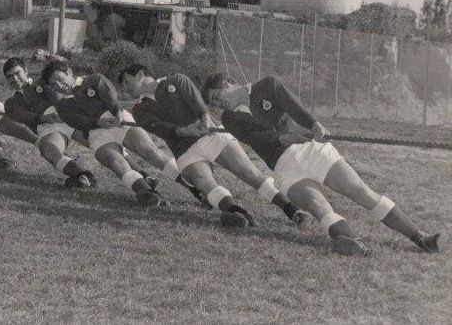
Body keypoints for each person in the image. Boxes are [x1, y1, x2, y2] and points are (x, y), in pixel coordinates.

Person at [201, 72, 441, 255]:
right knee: (318, 206)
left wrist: (315, 125)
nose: (216, 105)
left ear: (226, 84)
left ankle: (420, 237)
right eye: (212, 104)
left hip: (311, 149)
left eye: (215, 97)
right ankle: (350, 242)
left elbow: (296, 107)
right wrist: (287, 137)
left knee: (361, 192)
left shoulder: (269, 85)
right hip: (283, 164)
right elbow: (259, 139)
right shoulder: (230, 119)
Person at [119, 64, 308, 229]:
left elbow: (198, 104)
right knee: (202, 180)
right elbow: (158, 127)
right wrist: (183, 131)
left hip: (210, 136)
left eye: (127, 81)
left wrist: (205, 119)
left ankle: (291, 210)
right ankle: (235, 211)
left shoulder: (176, 80)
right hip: (184, 149)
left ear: (140, 75)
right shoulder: (138, 109)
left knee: (249, 173)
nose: (125, 88)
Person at [42, 60, 182, 207]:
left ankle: (196, 188)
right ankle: (145, 192)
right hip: (96, 133)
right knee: (115, 161)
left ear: (69, 72)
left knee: (150, 152)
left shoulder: (94, 79)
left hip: (118, 120)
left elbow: (111, 96)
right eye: (53, 85)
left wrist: (117, 112)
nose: (58, 85)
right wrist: (97, 124)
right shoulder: (62, 105)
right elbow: (77, 122)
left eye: (59, 79)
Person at [2, 57, 96, 187]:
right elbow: (23, 116)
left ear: (26, 70)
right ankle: (82, 176)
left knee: (99, 142)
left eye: (17, 73)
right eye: (10, 76)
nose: (15, 79)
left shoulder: (43, 82)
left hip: (66, 119)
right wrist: (43, 118)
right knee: (48, 149)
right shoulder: (11, 103)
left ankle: (131, 171)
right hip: (47, 128)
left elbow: (59, 97)